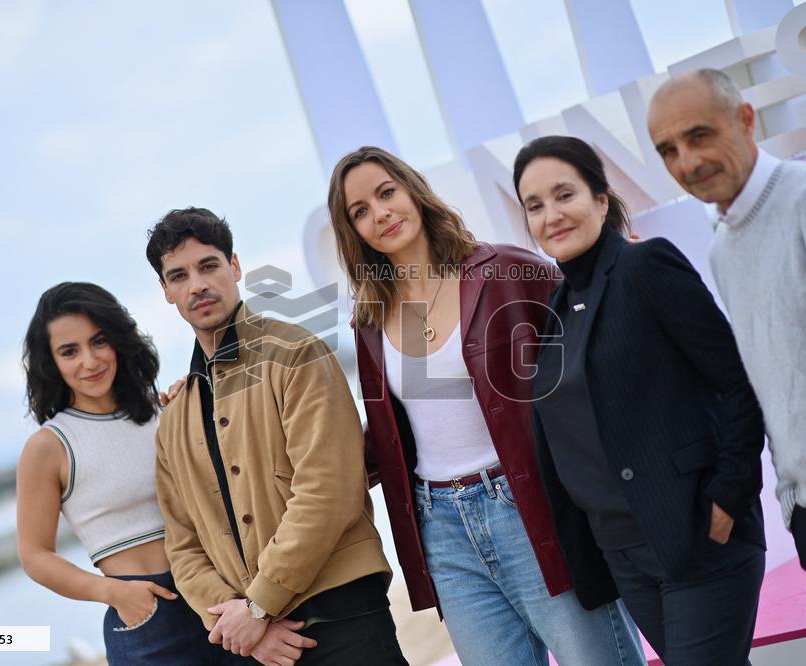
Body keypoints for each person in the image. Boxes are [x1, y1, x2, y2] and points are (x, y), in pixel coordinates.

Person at [327, 146, 644, 666]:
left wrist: (629, 269)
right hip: (444, 533)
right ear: (352, 231)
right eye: (360, 211)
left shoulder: (505, 272)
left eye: (386, 193)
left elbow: (595, 340)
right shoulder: (374, 319)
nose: (380, 213)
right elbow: (396, 432)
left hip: (532, 509)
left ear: (413, 191)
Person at [647, 68, 806, 660]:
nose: (687, 160)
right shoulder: (723, 248)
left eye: (699, 135)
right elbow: (771, 379)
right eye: (668, 150)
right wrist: (793, 506)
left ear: (746, 119)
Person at [514, 135, 767, 664]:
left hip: (696, 535)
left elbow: (737, 378)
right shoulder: (557, 309)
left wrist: (730, 493)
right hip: (623, 556)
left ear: (600, 200)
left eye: (565, 194)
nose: (551, 215)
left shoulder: (645, 266)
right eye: (534, 205)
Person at [146, 207, 407, 666]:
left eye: (209, 266)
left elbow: (329, 492)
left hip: (340, 613)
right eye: (179, 275)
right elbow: (183, 544)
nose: (197, 285)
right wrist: (236, 621)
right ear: (166, 291)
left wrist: (258, 605)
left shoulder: (297, 355)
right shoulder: (175, 417)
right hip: (253, 643)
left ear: (235, 267)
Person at [17, 281, 242, 664]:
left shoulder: (166, 411)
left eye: (99, 341)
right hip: (146, 616)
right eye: (69, 351)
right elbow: (35, 554)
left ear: (119, 339)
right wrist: (114, 594)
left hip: (221, 594)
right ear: (51, 363)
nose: (89, 361)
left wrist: (194, 408)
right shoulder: (49, 445)